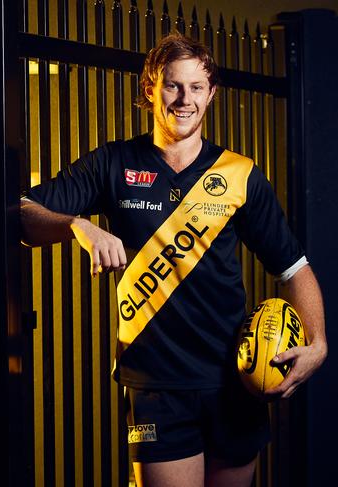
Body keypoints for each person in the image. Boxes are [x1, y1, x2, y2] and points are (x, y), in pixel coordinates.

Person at [20, 33, 327, 487]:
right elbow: (23, 213)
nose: (185, 99)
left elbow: (293, 266)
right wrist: (76, 225)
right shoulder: (113, 163)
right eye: (173, 86)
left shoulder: (239, 174)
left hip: (235, 379)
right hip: (156, 386)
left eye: (197, 87)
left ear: (211, 94)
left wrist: (318, 344)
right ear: (149, 89)